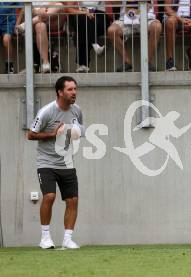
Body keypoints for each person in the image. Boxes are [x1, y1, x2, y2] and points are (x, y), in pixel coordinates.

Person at [27, 76, 85, 249]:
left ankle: (68, 239)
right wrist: (52, 134)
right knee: (50, 196)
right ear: (60, 92)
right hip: (46, 163)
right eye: (70, 89)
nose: (74, 92)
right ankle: (45, 237)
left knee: (73, 200)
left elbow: (81, 128)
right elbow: (30, 134)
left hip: (67, 163)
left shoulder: (77, 110)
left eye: (75, 89)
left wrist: (76, 131)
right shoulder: (47, 111)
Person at [107, 0, 162, 72]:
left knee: (157, 27)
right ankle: (127, 63)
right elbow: (115, 3)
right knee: (112, 30)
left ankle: (147, 63)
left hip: (147, 18)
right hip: (125, 19)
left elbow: (147, 6)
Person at [15, 1, 67, 73]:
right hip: (38, 20)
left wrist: (44, 7)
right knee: (40, 26)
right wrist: (17, 24)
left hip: (53, 19)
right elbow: (24, 8)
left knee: (59, 5)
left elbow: (57, 2)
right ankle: (45, 63)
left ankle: (26, 24)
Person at [67, 1, 112, 73]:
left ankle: (83, 64)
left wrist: (89, 12)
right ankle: (95, 44)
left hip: (99, 18)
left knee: (83, 25)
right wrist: (84, 12)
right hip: (81, 17)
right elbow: (68, 9)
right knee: (82, 20)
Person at [164, 0, 191, 71]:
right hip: (175, 16)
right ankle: (170, 60)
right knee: (170, 22)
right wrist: (180, 19)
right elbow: (167, 8)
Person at [0, 2, 19, 73]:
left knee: (6, 39)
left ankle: (9, 65)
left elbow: (22, 8)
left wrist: (17, 25)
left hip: (8, 22)